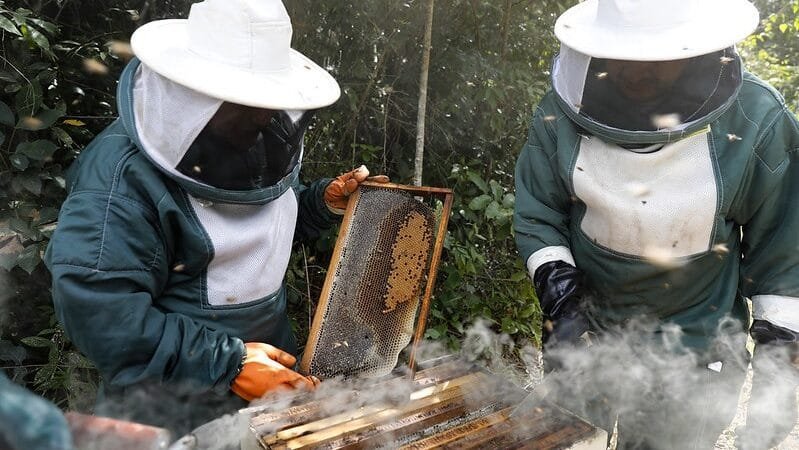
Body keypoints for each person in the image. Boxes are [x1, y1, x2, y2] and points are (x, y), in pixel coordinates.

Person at [44, 0, 384, 433]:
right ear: (192, 95)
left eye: (266, 100)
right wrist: (228, 361)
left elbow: (251, 241)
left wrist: (319, 204)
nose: (263, 116)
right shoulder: (119, 181)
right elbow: (100, 312)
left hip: (268, 392)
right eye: (245, 101)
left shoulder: (253, 141)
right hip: (170, 412)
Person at [513, 0, 799, 448]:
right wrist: (559, 288)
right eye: (620, 55)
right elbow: (539, 212)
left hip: (695, 346)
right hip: (588, 335)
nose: (634, 73)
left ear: (694, 51)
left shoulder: (757, 120)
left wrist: (778, 362)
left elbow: (783, 252)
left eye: (655, 60)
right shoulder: (564, 107)